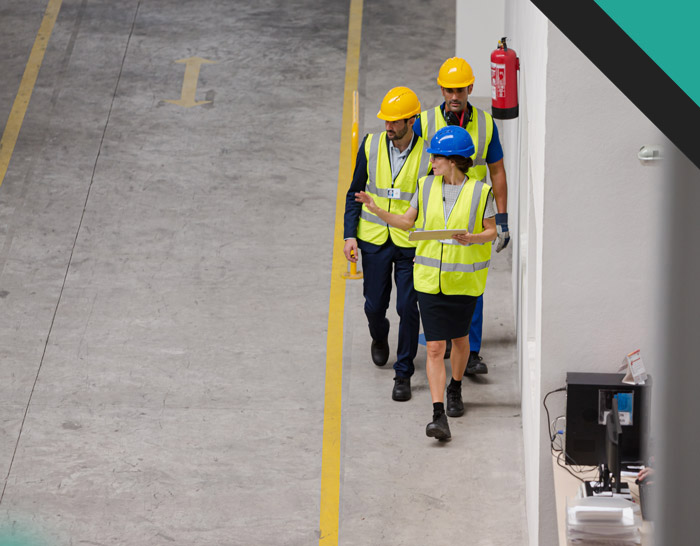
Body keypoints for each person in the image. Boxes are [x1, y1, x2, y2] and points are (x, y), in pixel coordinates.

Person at [355, 126, 497, 440]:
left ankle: (455, 388)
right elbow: (407, 221)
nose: (431, 161)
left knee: (459, 341)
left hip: (462, 280)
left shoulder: (480, 192)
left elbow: (492, 231)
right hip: (429, 280)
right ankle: (437, 414)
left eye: (437, 156)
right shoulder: (425, 185)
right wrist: (377, 209)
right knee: (434, 347)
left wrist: (473, 238)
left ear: (455, 160)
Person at [413, 57, 509, 376]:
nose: (454, 95)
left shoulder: (485, 123)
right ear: (442, 89)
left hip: (470, 209)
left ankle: (471, 352)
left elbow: (496, 170)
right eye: (449, 89)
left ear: (470, 87)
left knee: (469, 282)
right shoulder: (424, 123)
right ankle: (439, 343)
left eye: (460, 89)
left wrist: (503, 218)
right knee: (434, 279)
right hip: (435, 210)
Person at [343, 86, 430, 402]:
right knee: (374, 306)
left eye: (395, 122)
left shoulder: (428, 155)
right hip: (375, 240)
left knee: (408, 307)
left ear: (412, 120)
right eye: (386, 122)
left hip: (409, 243)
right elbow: (355, 193)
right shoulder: (371, 145)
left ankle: (403, 372)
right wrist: (349, 235)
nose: (389, 127)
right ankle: (379, 336)